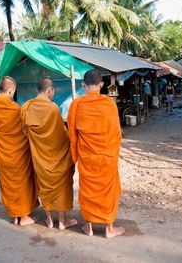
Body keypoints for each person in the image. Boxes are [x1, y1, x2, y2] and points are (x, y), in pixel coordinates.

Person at [67, 70, 124, 238]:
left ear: (83, 85)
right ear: (101, 85)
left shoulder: (76, 105)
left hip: (87, 157)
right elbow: (116, 132)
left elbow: (72, 134)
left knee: (88, 191)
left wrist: (76, 155)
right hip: (107, 157)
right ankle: (108, 229)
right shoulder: (109, 104)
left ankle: (89, 227)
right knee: (107, 191)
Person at [21, 78, 77, 230]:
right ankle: (62, 221)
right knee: (62, 186)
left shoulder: (27, 107)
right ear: (49, 91)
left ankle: (50, 220)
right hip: (57, 156)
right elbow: (61, 135)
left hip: (39, 157)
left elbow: (25, 132)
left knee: (45, 187)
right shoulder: (53, 108)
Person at [0, 77, 38, 226]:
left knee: (8, 186)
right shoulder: (17, 110)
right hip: (20, 155)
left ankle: (14, 215)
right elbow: (26, 133)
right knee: (23, 184)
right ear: (11, 91)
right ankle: (24, 217)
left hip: (2, 154)